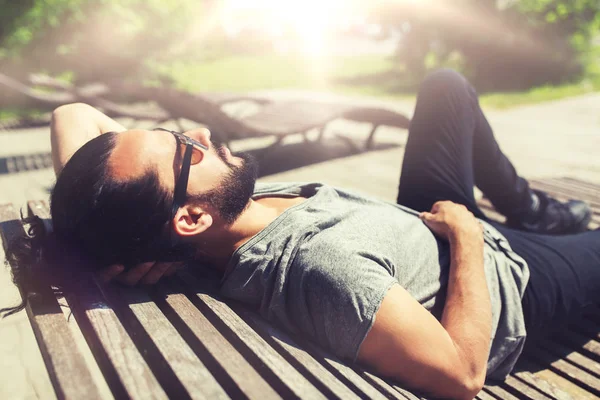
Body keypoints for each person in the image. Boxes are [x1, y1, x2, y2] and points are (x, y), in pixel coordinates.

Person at [4, 69, 598, 400]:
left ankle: (532, 206)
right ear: (189, 219)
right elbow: (462, 375)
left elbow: (71, 116)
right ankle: (535, 221)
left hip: (416, 229)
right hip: (509, 287)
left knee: (446, 86)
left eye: (173, 130)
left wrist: (109, 233)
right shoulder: (320, 268)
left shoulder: (201, 218)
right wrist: (468, 236)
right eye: (188, 148)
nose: (204, 131)